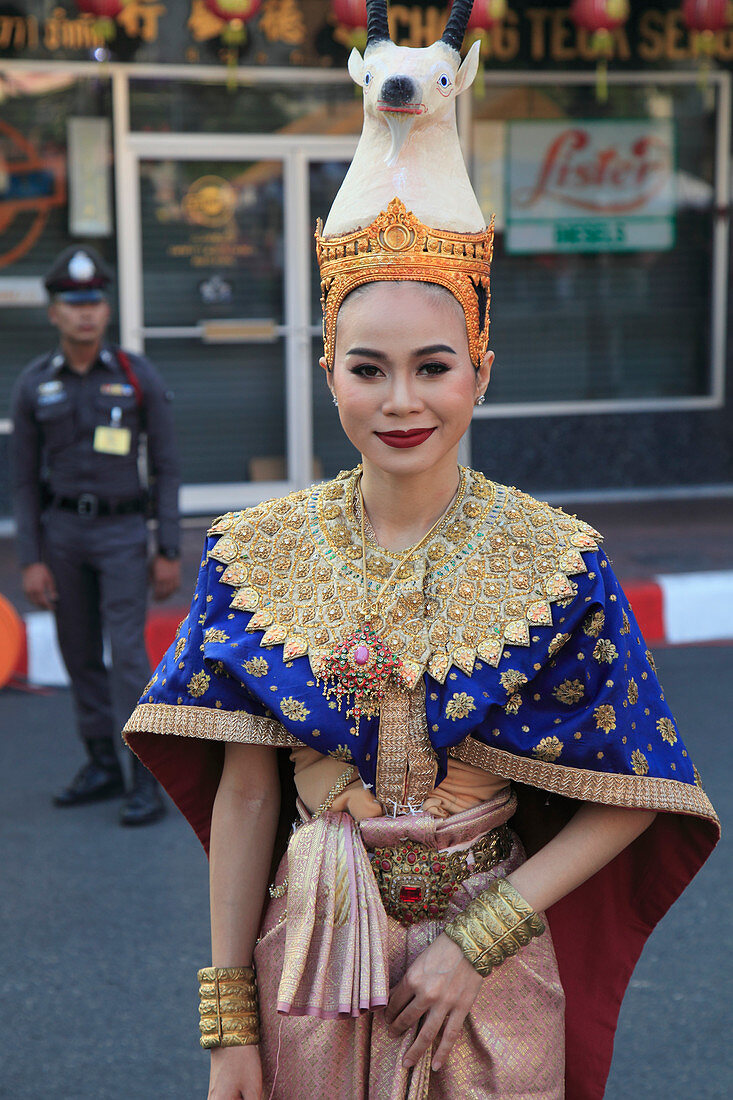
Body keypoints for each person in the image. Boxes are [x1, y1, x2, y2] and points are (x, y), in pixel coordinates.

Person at [124, 2, 719, 1096]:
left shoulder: (556, 558)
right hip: (306, 961)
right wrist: (227, 1023)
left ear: (481, 371)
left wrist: (476, 936)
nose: (401, 400)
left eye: (434, 366)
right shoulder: (252, 553)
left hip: (484, 974)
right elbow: (250, 794)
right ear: (326, 368)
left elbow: (638, 786)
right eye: (368, 367)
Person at [10, 243, 181, 827]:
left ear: (105, 309)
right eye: (73, 302)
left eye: (94, 300)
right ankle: (102, 763)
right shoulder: (35, 384)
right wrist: (30, 558)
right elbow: (24, 483)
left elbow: (167, 465)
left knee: (129, 659)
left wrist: (168, 548)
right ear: (53, 311)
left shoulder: (135, 375)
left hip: (122, 534)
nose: (86, 311)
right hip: (61, 536)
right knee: (79, 654)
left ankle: (144, 778)